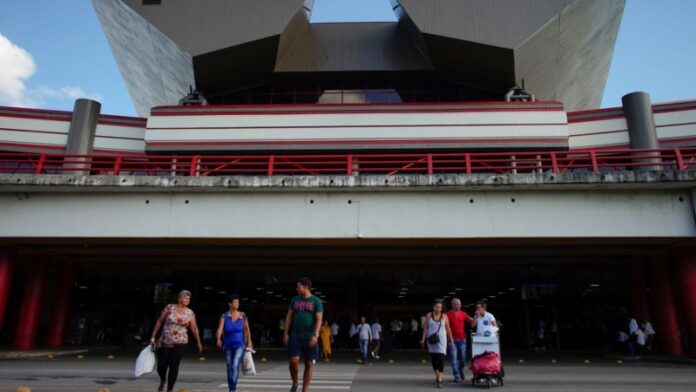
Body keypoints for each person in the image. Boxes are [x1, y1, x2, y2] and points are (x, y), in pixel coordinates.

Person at [150, 290, 203, 392]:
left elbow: (194, 328)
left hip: (181, 343)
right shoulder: (169, 308)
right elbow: (160, 321)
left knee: (174, 365)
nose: (187, 300)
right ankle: (163, 380)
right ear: (179, 299)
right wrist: (153, 337)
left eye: (189, 299)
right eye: (185, 298)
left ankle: (170, 389)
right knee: (162, 366)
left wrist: (199, 342)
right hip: (165, 342)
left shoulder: (190, 313)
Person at [283, 277, 323, 392]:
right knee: (293, 360)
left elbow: (319, 319)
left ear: (306, 287)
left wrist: (315, 335)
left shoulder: (316, 301)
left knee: (309, 363)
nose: (297, 289)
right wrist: (286, 333)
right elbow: (289, 316)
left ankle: (305, 389)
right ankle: (295, 383)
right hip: (296, 336)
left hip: (310, 337)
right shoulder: (295, 299)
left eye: (299, 287)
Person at [216, 294, 252, 392]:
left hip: (240, 345)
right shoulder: (224, 316)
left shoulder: (242, 316)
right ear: (230, 304)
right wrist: (218, 339)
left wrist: (249, 341)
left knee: (235, 364)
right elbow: (220, 329)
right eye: (235, 302)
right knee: (229, 367)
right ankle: (231, 387)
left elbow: (247, 330)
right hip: (227, 346)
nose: (237, 304)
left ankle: (233, 389)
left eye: (238, 302)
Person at [421, 299, 454, 389]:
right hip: (431, 341)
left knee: (441, 358)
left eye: (440, 307)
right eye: (436, 307)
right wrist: (423, 339)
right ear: (433, 307)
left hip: (442, 341)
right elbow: (425, 328)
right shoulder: (429, 315)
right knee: (434, 359)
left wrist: (451, 340)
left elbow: (448, 329)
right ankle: (436, 374)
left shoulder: (444, 316)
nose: (438, 309)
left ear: (442, 308)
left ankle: (440, 378)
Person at [446, 298, 473, 383]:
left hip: (462, 339)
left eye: (460, 304)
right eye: (457, 304)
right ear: (453, 305)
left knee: (463, 358)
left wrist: (477, 318)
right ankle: (456, 375)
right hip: (452, 339)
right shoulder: (447, 314)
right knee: (453, 357)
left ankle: (460, 369)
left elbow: (472, 321)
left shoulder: (463, 313)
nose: (459, 305)